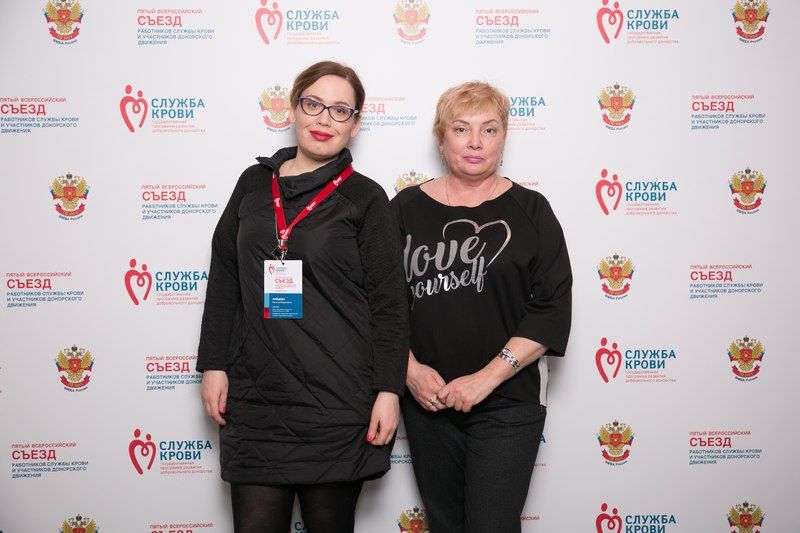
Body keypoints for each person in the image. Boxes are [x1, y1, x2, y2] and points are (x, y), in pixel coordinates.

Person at [197, 61, 409, 533]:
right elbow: (225, 277)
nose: (324, 119)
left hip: (337, 402)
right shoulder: (253, 184)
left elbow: (390, 306)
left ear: (356, 124)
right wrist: (213, 363)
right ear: (293, 110)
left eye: (340, 110)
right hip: (257, 397)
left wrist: (389, 390)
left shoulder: (366, 198)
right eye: (313, 104)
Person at [391, 81, 572, 532]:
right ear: (441, 139)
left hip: (508, 400)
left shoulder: (532, 210)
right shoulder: (404, 208)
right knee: (446, 524)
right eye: (461, 128)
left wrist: (485, 379)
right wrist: (410, 370)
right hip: (428, 402)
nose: (475, 142)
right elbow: (380, 302)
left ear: (503, 139)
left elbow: (551, 307)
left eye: (489, 129)